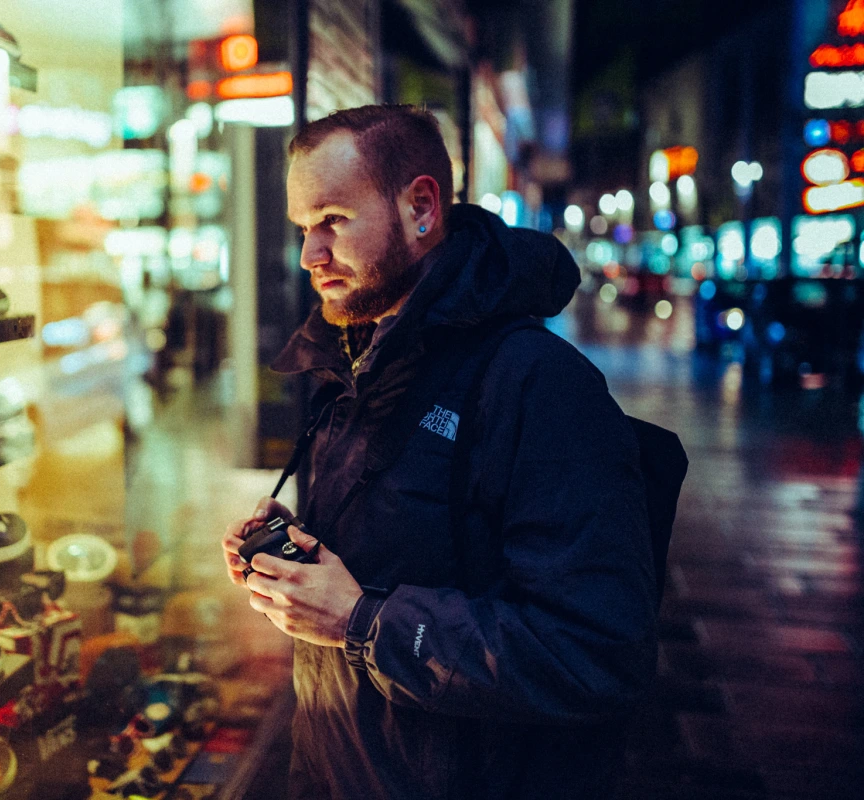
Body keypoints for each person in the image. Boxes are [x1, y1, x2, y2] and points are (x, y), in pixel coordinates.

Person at [221, 105, 658, 800]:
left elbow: (596, 652)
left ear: (422, 208)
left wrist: (364, 622)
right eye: (305, 228)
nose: (310, 256)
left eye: (333, 219)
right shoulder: (351, 364)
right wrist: (292, 562)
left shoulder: (538, 385)